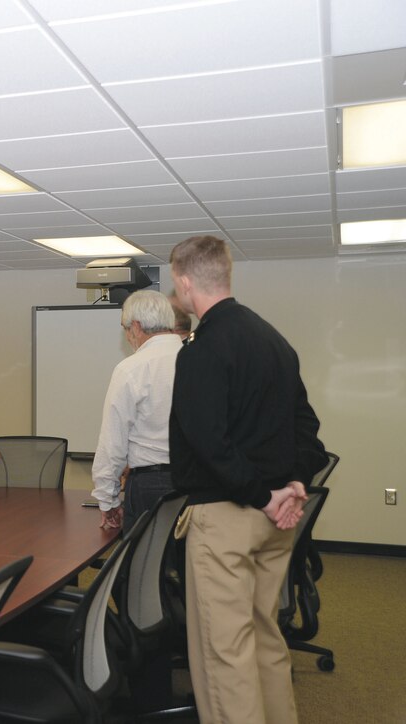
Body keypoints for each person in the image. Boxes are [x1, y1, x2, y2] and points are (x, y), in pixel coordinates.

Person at [169, 235, 328, 724]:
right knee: (264, 638)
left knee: (225, 654)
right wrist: (296, 485)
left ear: (185, 282)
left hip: (229, 519)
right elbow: (308, 428)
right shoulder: (273, 340)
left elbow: (208, 442)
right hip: (278, 521)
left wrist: (263, 497)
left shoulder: (202, 348)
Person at [91, 290, 181, 534]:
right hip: (199, 482)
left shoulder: (132, 368)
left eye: (125, 328)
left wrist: (107, 500)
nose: (127, 336)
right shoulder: (201, 360)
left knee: (144, 566)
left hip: (151, 486)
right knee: (189, 564)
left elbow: (113, 442)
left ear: (136, 326)